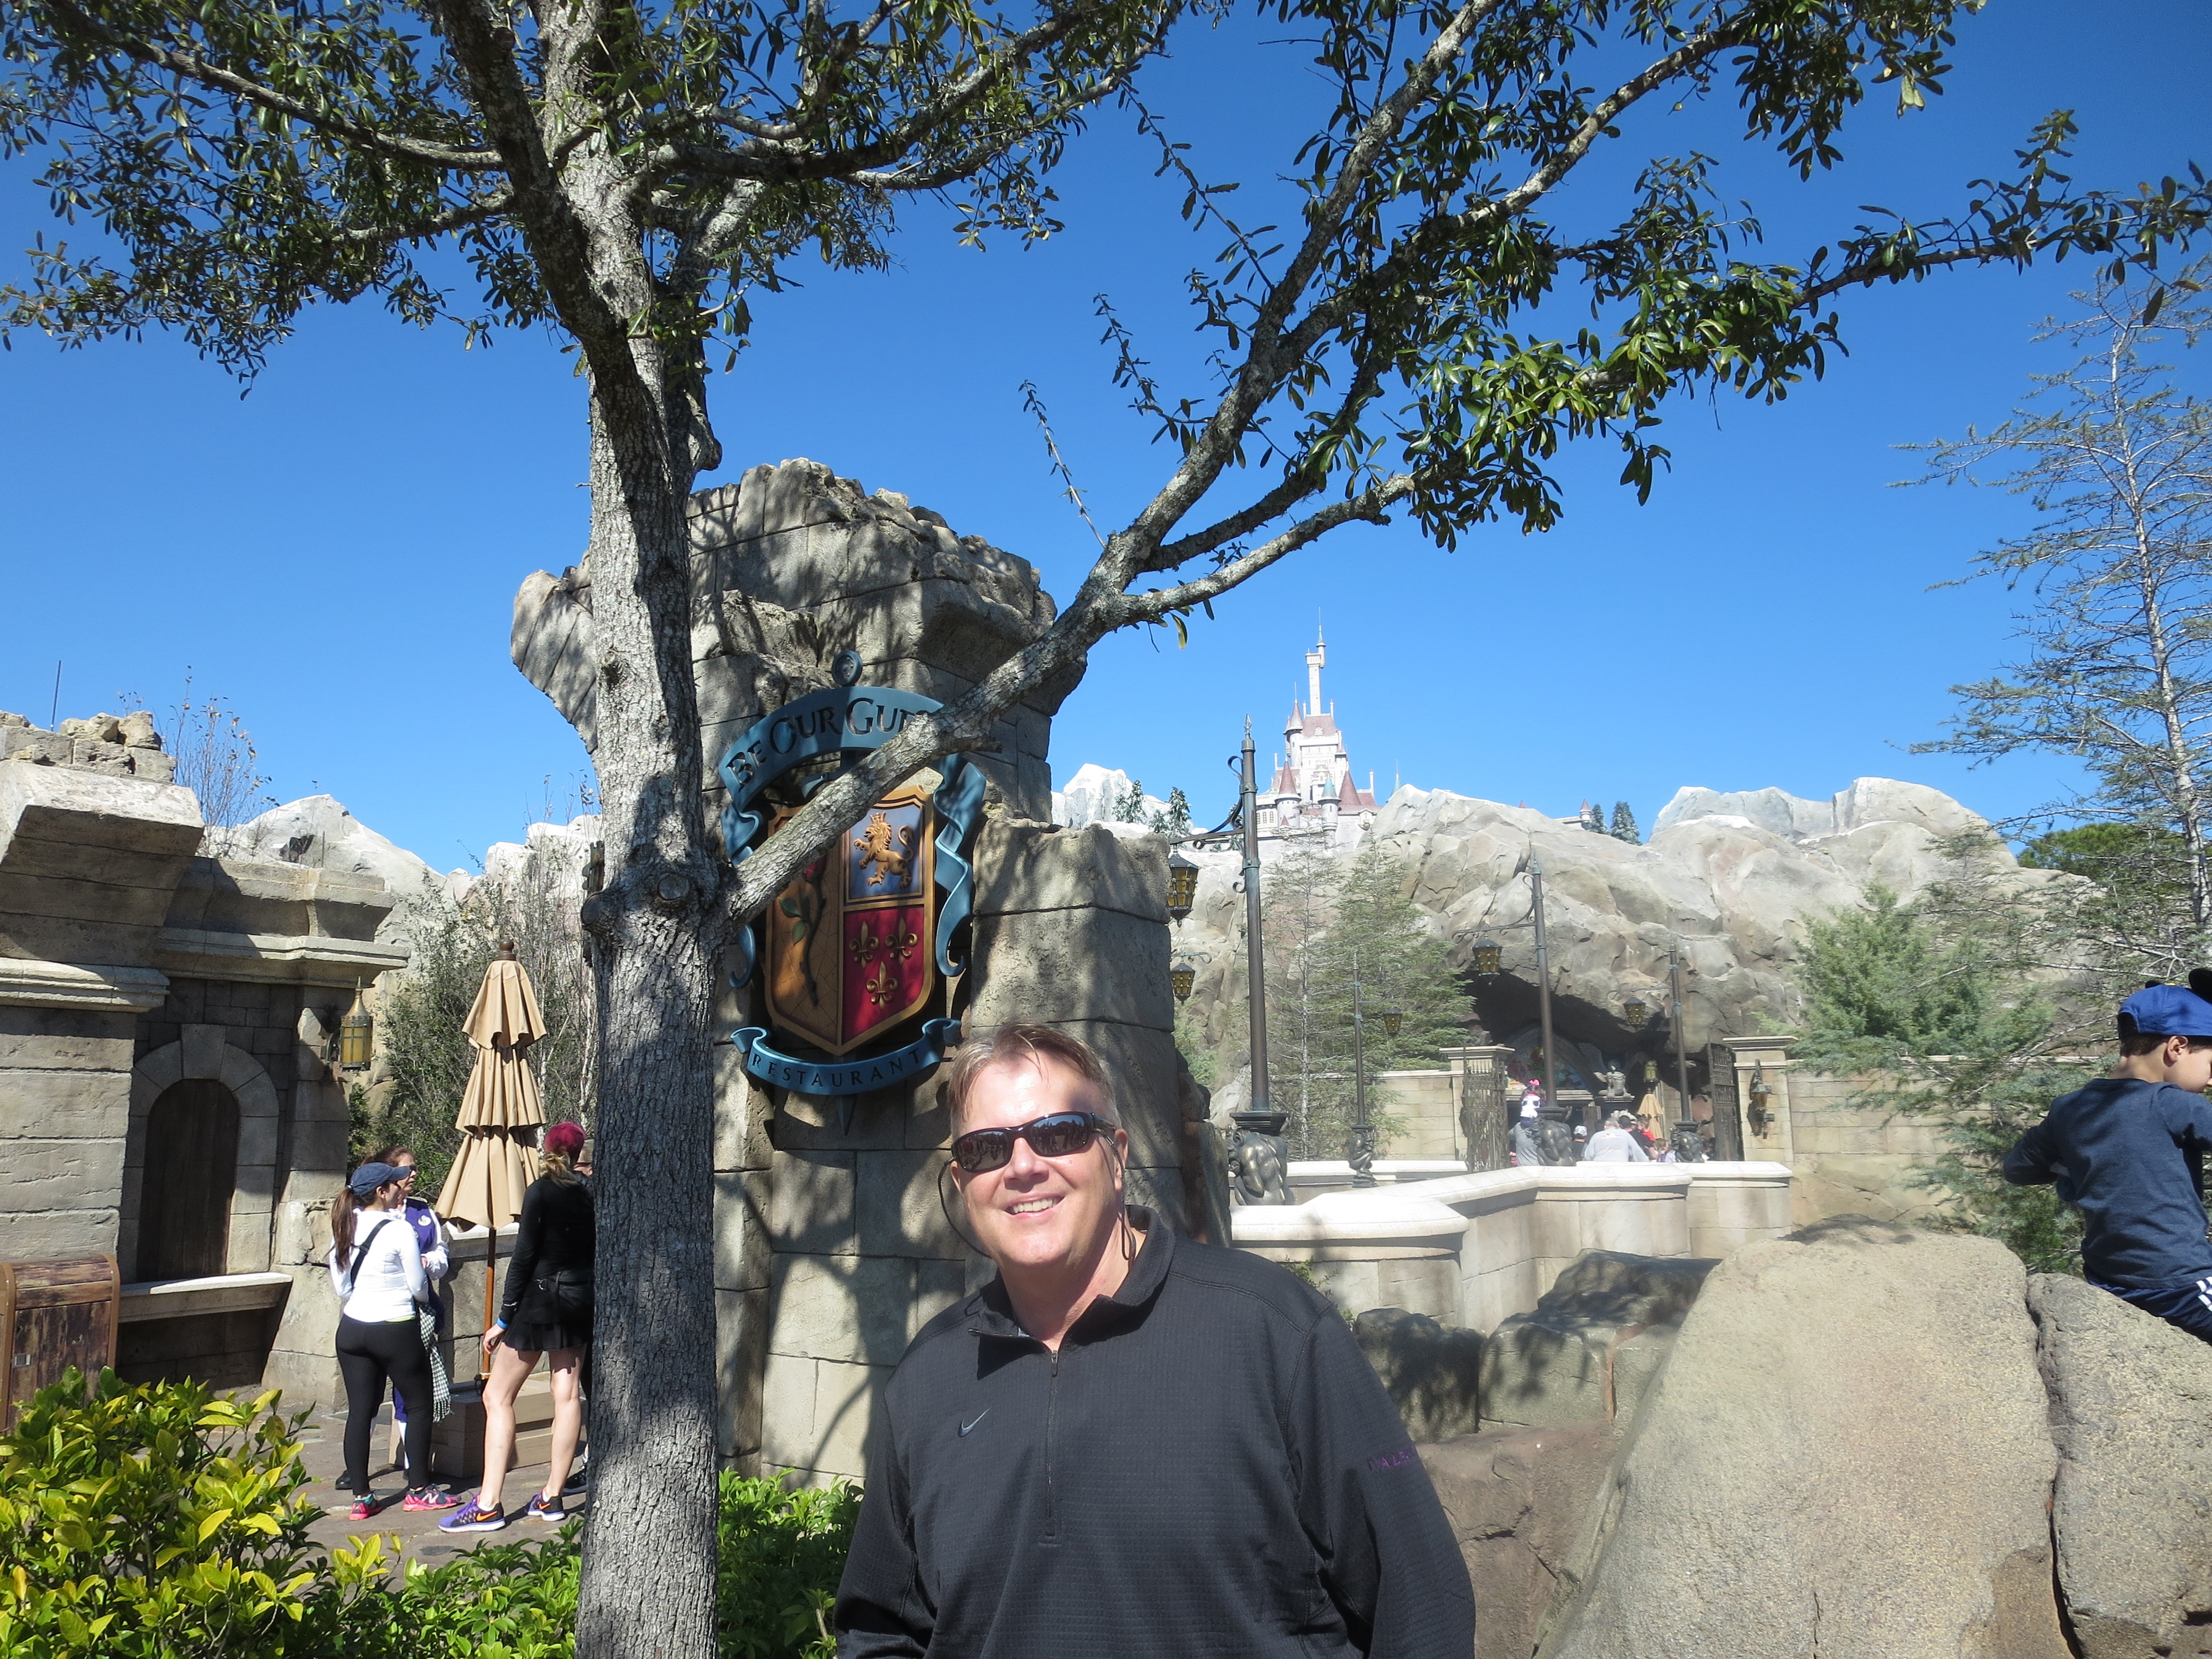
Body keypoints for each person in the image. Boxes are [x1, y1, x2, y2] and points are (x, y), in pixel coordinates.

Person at [834, 1024, 1474, 1658]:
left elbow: (1420, 1601)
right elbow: (880, 1631)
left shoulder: (1273, 1331)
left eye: (1059, 1134)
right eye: (986, 1148)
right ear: (961, 1182)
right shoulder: (929, 1377)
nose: (1022, 1167)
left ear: (1116, 1156)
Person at [2005, 978, 2212, 1343]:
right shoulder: (2173, 1103)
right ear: (2177, 1047)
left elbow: (2017, 1169)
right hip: (2178, 1282)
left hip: (2109, 1281)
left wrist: (2077, 1164)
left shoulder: (2070, 1108)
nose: (2210, 1080)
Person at [442, 1120, 594, 1533]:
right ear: (578, 1153)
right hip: (580, 1302)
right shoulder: (590, 1193)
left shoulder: (541, 1191)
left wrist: (503, 1319)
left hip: (540, 1302)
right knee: (568, 1397)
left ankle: (488, 1504)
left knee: (497, 1395)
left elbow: (524, 1257)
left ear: (548, 1150)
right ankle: (552, 1496)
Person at [327, 1161, 462, 1519]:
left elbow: (341, 1287)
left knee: (361, 1410)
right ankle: (418, 1489)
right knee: (418, 1404)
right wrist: (417, 1299)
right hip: (395, 1326)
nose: (400, 1188)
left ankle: (361, 1497)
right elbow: (419, 1286)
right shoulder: (399, 1229)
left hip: (353, 1327)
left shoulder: (344, 1225)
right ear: (381, 1192)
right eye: (394, 1184)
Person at [368, 1145, 451, 1479]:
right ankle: (356, 1467)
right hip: (376, 1315)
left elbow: (441, 1255)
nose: (414, 1174)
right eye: (407, 1169)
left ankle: (411, 1465)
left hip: (416, 1314)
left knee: (410, 1394)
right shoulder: (365, 1214)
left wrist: (429, 1262)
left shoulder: (422, 1212)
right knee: (369, 1393)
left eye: (415, 1168)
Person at [1583, 1111, 1652, 1163]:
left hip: (1600, 1167)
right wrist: (1646, 1161)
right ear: (1618, 1126)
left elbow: (1588, 1156)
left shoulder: (1597, 1136)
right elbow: (1637, 1152)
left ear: (1605, 1127)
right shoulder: (1625, 1134)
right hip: (1621, 1165)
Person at [1510, 1097, 1543, 1167]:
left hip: (1522, 1168)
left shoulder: (1518, 1127)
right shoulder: (1545, 1129)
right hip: (1540, 1167)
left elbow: (1509, 1136)